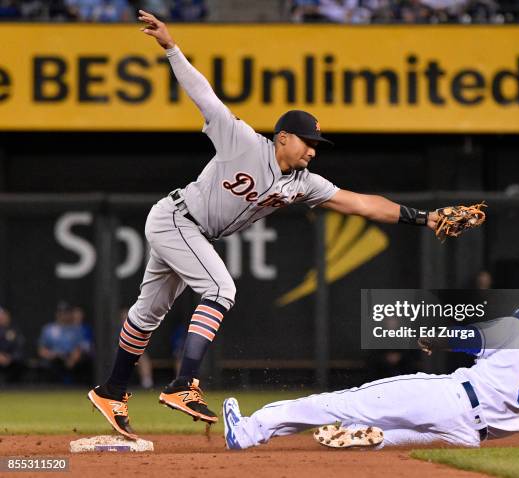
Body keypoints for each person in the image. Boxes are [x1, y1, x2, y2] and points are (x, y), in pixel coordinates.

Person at [88, 9, 444, 441]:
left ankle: (112, 390)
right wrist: (171, 47)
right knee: (221, 290)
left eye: (317, 145)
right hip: (177, 217)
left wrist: (423, 217)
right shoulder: (241, 140)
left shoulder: (305, 183)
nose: (313, 151)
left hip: (192, 230)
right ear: (283, 137)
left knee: (148, 313)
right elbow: (204, 95)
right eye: (308, 142)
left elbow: (362, 204)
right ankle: (184, 384)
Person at [223, 305, 519, 450]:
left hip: (450, 399)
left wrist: (435, 338)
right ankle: (366, 437)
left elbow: (470, 339)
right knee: (386, 436)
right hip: (468, 438)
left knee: (342, 401)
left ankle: (248, 430)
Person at [38, 302, 93, 384]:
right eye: (61, 313)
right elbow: (41, 350)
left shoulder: (76, 330)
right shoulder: (49, 329)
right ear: (57, 314)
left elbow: (80, 348)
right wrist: (51, 355)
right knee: (53, 365)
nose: (63, 315)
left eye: (65, 313)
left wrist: (72, 359)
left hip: (71, 360)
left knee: (81, 365)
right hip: (54, 361)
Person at [0, 306, 25, 384]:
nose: (3, 318)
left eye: (4, 315)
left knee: (18, 364)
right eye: (1, 316)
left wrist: (10, 357)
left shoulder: (15, 330)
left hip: (12, 362)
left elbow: (19, 347)